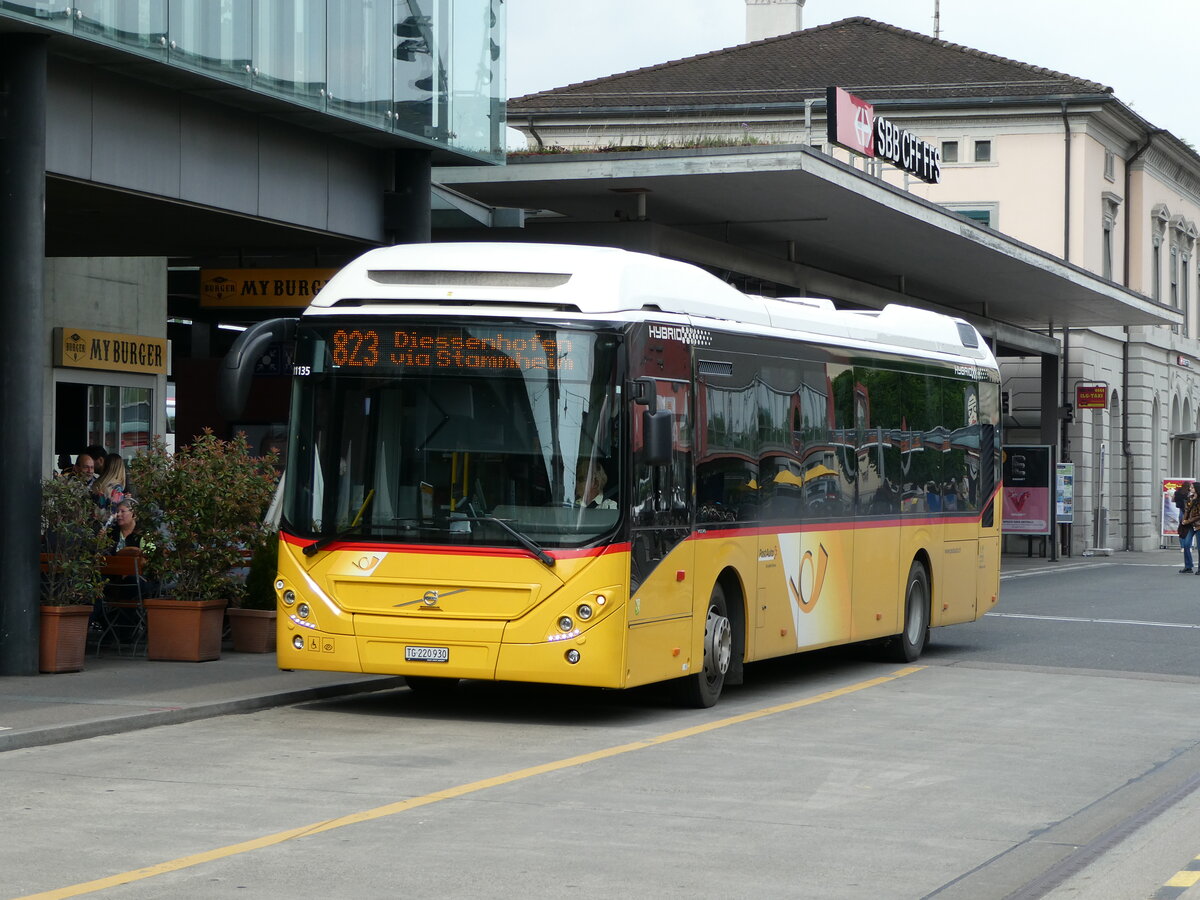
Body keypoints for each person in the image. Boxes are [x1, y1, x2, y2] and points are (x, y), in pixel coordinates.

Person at [1180, 483, 1200, 573]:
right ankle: (1188, 567)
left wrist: (1188, 521)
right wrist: (1184, 520)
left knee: (1199, 547)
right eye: (1190, 487)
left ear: (1197, 489)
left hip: (1198, 525)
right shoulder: (1190, 498)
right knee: (1186, 544)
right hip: (1190, 526)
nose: (1190, 489)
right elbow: (1187, 510)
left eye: (1192, 487)